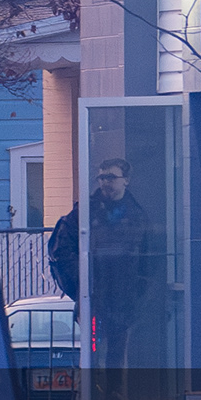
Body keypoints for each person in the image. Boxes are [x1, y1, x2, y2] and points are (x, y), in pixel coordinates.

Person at [48, 159, 157, 374]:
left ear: (126, 180)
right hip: (94, 301)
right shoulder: (84, 212)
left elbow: (148, 260)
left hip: (124, 304)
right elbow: (59, 251)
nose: (105, 182)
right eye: (102, 177)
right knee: (92, 357)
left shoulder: (137, 216)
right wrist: (82, 285)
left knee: (118, 361)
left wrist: (138, 293)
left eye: (111, 177)